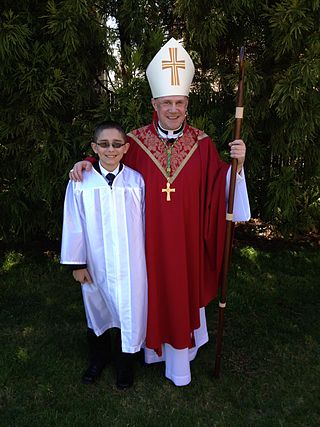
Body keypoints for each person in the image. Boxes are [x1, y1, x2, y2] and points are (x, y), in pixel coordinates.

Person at [70, 38, 250, 386]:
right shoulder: (135, 141)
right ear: (154, 103)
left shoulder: (202, 143)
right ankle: (147, 351)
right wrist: (87, 163)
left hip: (185, 242)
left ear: (187, 103)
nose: (172, 109)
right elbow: (111, 161)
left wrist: (236, 166)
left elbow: (218, 188)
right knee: (145, 291)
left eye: (178, 102)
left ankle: (179, 361)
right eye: (166, 102)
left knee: (179, 290)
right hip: (145, 244)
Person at [61, 121, 147, 390]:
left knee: (128, 312)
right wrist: (78, 263)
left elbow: (146, 223)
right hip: (96, 262)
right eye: (105, 144)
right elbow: (73, 222)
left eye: (116, 144)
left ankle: (125, 366)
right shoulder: (80, 183)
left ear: (126, 148)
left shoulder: (136, 181)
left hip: (131, 264)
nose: (111, 149)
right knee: (97, 310)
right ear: (94, 148)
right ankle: (97, 360)